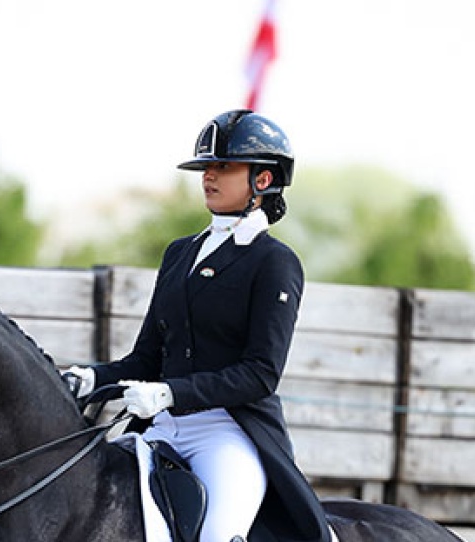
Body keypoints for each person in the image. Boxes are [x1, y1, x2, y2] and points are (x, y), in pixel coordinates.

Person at [66, 109, 330, 542]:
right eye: (206, 167)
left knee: (217, 535)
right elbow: (146, 359)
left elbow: (260, 374)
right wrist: (93, 378)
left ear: (263, 179)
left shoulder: (274, 262)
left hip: (226, 433)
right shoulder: (180, 254)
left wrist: (170, 392)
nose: (209, 176)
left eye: (224, 167)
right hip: (160, 428)